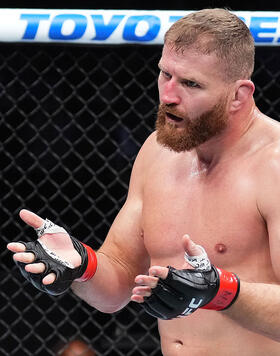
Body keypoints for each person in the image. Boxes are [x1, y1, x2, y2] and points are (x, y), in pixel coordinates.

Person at [7, 8, 280, 355]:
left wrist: (222, 292)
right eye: (165, 74)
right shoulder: (158, 152)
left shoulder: (274, 165)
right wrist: (81, 265)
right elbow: (118, 283)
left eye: (190, 83)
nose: (168, 95)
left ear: (239, 95)